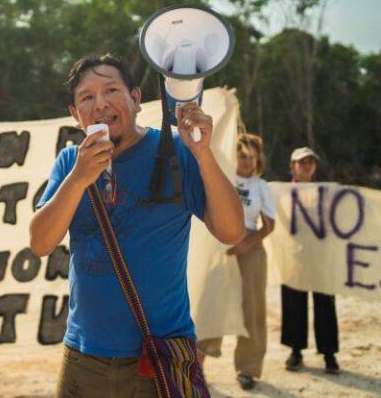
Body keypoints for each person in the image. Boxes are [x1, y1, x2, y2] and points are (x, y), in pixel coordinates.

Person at [29, 54, 245, 397]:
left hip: (158, 353)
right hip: (84, 355)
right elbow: (40, 243)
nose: (100, 104)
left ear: (136, 99)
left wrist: (203, 153)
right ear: (75, 115)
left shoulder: (175, 152)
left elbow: (232, 232)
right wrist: (78, 179)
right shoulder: (71, 161)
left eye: (111, 90)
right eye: (87, 97)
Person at [196, 134, 275, 390]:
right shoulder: (224, 176)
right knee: (212, 304)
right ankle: (198, 365)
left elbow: (269, 225)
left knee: (252, 308)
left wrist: (244, 245)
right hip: (221, 247)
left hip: (250, 249)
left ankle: (247, 369)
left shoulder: (260, 186)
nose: (247, 162)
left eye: (252, 157)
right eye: (242, 156)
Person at [281, 147, 340, 374]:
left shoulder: (326, 193)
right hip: (294, 256)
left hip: (322, 258)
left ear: (315, 166)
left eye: (310, 162)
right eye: (301, 162)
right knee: (294, 303)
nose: (306, 165)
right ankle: (296, 351)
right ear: (292, 167)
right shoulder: (283, 193)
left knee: (325, 303)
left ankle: (329, 353)